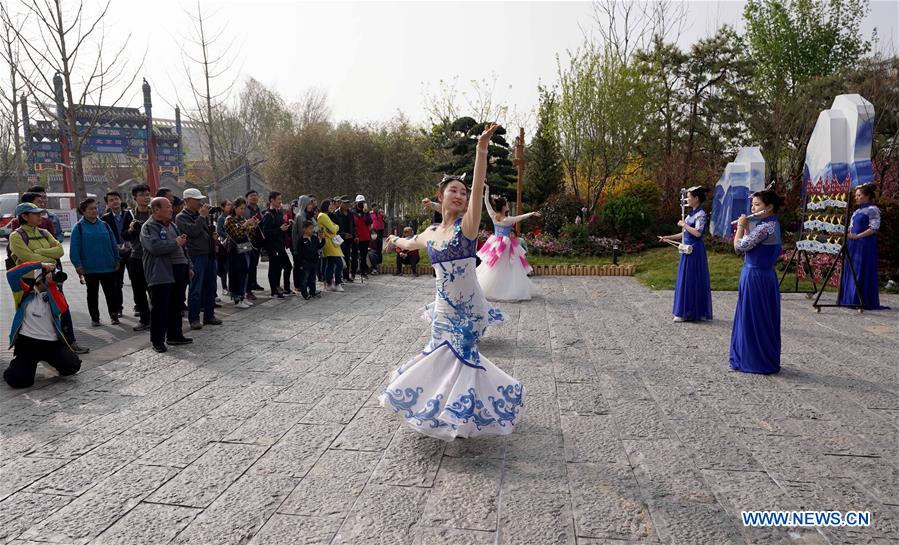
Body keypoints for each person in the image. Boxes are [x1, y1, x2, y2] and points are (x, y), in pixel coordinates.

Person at [380, 123, 524, 440]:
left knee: (464, 360)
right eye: (453, 191)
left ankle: (464, 414)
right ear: (441, 197)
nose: (460, 195)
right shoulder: (431, 233)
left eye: (463, 192)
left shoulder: (467, 228)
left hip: (470, 313)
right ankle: (438, 409)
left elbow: (478, 181)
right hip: (443, 312)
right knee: (438, 357)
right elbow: (408, 244)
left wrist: (481, 149)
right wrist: (392, 238)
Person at [8, 203, 88, 354]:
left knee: (62, 309)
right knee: (29, 313)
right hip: (29, 282)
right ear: (24, 216)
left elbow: (59, 251)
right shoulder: (16, 236)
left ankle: (70, 343)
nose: (40, 216)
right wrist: (47, 260)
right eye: (35, 213)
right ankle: (27, 349)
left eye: (40, 213)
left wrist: (40, 252)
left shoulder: (44, 232)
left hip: (50, 279)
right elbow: (27, 257)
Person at [729, 190, 783, 374]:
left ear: (770, 207)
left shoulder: (766, 227)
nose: (753, 208)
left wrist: (741, 227)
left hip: (756, 276)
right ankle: (754, 356)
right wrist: (747, 227)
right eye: (753, 204)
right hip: (762, 275)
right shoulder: (770, 224)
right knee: (757, 316)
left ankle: (755, 359)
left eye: (758, 204)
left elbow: (739, 247)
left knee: (755, 317)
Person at [4, 262, 81, 388]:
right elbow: (11, 274)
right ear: (39, 280)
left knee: (72, 366)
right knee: (18, 381)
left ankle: (49, 361)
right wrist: (39, 265)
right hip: (27, 344)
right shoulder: (25, 293)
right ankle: (16, 367)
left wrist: (51, 286)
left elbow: (61, 308)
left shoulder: (55, 293)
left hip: (51, 344)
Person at [141, 197, 193, 353]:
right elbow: (155, 247)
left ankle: (175, 335)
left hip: (178, 270)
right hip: (160, 273)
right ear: (156, 209)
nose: (171, 209)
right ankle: (157, 340)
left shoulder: (172, 225)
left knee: (176, 305)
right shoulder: (149, 227)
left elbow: (183, 248)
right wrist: (175, 243)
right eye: (168, 207)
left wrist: (188, 265)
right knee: (160, 308)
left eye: (171, 207)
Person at [476, 185, 542, 302]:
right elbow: (520, 217)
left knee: (493, 266)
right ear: (503, 207)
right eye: (506, 204)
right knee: (509, 267)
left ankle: (490, 287)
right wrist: (531, 213)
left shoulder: (493, 215)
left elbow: (486, 202)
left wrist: (487, 190)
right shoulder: (507, 220)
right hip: (506, 246)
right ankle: (506, 289)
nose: (507, 205)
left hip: (495, 243)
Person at [658, 186, 713, 322]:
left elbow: (698, 233)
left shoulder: (701, 214)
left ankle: (695, 311)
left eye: (689, 196)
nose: (687, 199)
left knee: (693, 279)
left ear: (696, 198)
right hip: (686, 249)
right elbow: (685, 234)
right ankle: (685, 311)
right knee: (685, 279)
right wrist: (668, 237)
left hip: (695, 250)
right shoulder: (691, 214)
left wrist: (684, 224)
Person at [176, 188, 223, 330]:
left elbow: (206, 232)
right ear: (187, 201)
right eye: (196, 200)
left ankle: (209, 315)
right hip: (195, 256)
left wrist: (213, 239)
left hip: (209, 254)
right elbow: (192, 232)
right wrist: (202, 217)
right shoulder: (181, 217)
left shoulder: (201, 214)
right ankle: (194, 318)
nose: (199, 203)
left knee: (211, 286)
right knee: (195, 288)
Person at [70, 198, 122, 327]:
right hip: (90, 268)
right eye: (91, 209)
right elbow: (74, 248)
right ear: (83, 212)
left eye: (95, 208)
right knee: (92, 294)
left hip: (108, 266)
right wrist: (78, 265)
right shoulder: (79, 227)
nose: (95, 211)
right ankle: (95, 318)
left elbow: (113, 243)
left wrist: (117, 259)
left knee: (111, 293)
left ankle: (114, 315)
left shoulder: (104, 225)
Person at [839, 183, 886, 310]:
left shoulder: (873, 209)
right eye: (856, 195)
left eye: (859, 195)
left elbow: (874, 228)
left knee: (861, 270)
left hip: (865, 245)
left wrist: (858, 236)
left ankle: (859, 299)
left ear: (867, 196)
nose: (856, 197)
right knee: (852, 269)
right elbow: (851, 226)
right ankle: (849, 298)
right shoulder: (857, 211)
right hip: (853, 244)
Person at [124, 184, 152, 331]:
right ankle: (144, 319)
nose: (146, 197)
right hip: (136, 257)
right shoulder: (129, 214)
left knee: (154, 290)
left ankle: (158, 318)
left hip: (153, 258)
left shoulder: (154, 212)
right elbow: (123, 235)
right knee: (139, 290)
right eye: (142, 194)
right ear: (135, 197)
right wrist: (131, 229)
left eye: (148, 194)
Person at [101, 191, 134, 316]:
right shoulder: (104, 219)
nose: (115, 201)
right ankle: (118, 308)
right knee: (117, 283)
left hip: (131, 252)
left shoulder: (129, 214)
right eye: (111, 200)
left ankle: (138, 306)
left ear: (120, 200)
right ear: (108, 204)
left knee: (135, 281)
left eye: (116, 199)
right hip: (116, 254)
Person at [224, 198, 259, 308]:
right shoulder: (229, 220)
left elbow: (250, 235)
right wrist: (245, 225)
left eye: (244, 208)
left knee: (245, 272)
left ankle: (243, 296)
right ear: (235, 208)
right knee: (237, 274)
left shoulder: (242, 218)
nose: (243, 211)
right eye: (241, 208)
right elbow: (237, 234)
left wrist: (253, 225)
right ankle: (237, 298)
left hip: (245, 248)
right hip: (235, 250)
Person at [259, 191, 292, 298]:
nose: (280, 201)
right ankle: (274, 291)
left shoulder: (279, 212)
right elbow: (266, 232)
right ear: (272, 200)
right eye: (278, 199)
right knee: (274, 268)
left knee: (287, 266)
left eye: (280, 199)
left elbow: (280, 226)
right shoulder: (268, 215)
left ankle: (283, 288)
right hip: (273, 246)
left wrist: (287, 224)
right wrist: (279, 229)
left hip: (280, 245)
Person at [291, 195, 318, 291]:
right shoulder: (299, 216)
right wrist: (295, 248)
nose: (310, 206)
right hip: (301, 245)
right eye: (308, 204)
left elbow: (315, 227)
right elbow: (296, 233)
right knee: (299, 266)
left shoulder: (309, 215)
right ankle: (298, 285)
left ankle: (307, 285)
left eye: (311, 204)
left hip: (310, 245)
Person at [318, 199, 345, 292]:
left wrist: (334, 227)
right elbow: (334, 228)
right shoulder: (323, 216)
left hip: (330, 241)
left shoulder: (324, 215)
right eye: (330, 205)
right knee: (339, 264)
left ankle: (329, 283)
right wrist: (335, 226)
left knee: (330, 264)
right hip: (329, 243)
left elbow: (333, 227)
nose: (331, 207)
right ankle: (337, 283)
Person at [296, 220, 323, 299]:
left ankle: (312, 291)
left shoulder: (314, 238)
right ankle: (304, 293)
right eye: (310, 228)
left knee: (313, 278)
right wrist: (300, 264)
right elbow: (299, 253)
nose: (312, 230)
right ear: (304, 229)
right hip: (305, 262)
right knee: (304, 279)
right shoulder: (301, 240)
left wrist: (323, 239)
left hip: (314, 261)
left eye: (312, 228)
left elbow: (319, 246)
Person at [243, 190, 264, 292]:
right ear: (247, 198)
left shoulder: (259, 210)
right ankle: (248, 287)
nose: (254, 197)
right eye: (251, 196)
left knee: (254, 263)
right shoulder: (245, 210)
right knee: (247, 263)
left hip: (257, 240)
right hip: (247, 241)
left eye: (256, 195)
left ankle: (254, 283)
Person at [332, 196, 356, 282]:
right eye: (344, 203)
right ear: (341, 203)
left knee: (347, 257)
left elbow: (353, 225)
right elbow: (334, 227)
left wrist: (354, 235)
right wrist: (343, 234)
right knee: (339, 259)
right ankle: (339, 276)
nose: (346, 205)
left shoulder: (350, 213)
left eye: (348, 203)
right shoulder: (336, 214)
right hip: (339, 238)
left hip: (349, 238)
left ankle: (346, 276)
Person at [351, 195, 373, 279]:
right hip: (356, 237)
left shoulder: (366, 212)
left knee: (363, 256)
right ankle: (353, 273)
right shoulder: (352, 212)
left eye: (363, 202)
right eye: (360, 203)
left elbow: (369, 222)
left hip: (365, 237)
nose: (361, 204)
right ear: (356, 203)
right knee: (354, 256)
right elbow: (352, 225)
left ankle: (363, 272)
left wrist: (366, 212)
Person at [214, 200, 232, 297]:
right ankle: (224, 288)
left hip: (232, 245)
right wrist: (229, 236)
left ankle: (230, 286)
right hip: (225, 245)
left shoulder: (232, 217)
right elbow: (219, 231)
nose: (230, 206)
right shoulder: (221, 218)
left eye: (231, 204)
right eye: (228, 205)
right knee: (224, 267)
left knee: (230, 267)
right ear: (223, 207)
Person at [370, 203, 386, 269]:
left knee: (380, 245)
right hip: (374, 230)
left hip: (380, 230)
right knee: (374, 245)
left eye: (376, 207)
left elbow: (385, 219)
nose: (375, 208)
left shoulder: (380, 213)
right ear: (372, 208)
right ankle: (375, 261)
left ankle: (380, 261)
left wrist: (383, 215)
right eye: (374, 207)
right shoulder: (370, 214)